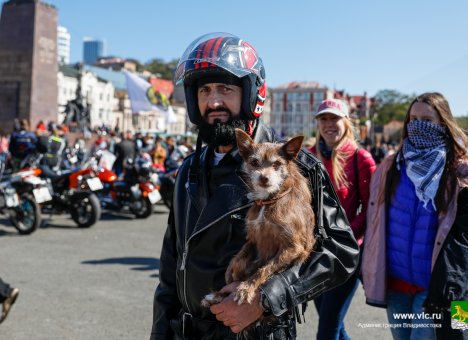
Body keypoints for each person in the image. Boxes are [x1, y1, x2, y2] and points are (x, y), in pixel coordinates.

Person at [150, 32, 359, 340]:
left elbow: (341, 252)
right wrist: (160, 332)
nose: (214, 101)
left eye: (225, 88)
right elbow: (172, 266)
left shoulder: (294, 166)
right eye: (205, 90)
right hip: (188, 330)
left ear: (251, 94)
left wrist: (266, 298)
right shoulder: (188, 170)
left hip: (257, 333)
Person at [362, 92, 468, 340]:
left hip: (435, 287)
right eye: (414, 118)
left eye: (428, 120)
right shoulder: (392, 165)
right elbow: (376, 222)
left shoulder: (459, 170)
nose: (419, 125)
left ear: (444, 123)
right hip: (396, 284)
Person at [309, 99, 376, 340]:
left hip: (346, 255)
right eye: (323, 119)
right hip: (314, 255)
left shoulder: (361, 158)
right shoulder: (308, 157)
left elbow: (372, 209)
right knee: (335, 328)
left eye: (334, 118)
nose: (329, 124)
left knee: (326, 331)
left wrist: (344, 234)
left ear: (345, 122)